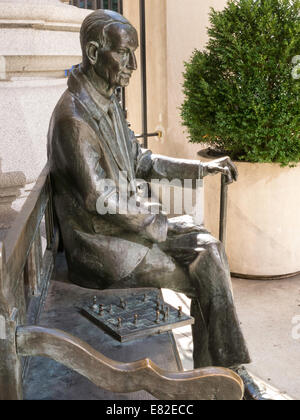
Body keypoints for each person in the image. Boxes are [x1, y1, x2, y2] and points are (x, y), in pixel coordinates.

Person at [48, 9, 264, 398]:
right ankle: (224, 379)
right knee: (207, 274)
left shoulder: (108, 102)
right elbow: (99, 197)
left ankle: (220, 374)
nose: (132, 64)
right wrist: (152, 222)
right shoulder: (74, 117)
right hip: (104, 249)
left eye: (134, 53)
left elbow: (141, 161)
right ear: (95, 52)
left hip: (127, 231)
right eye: (124, 53)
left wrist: (199, 169)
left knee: (209, 250)